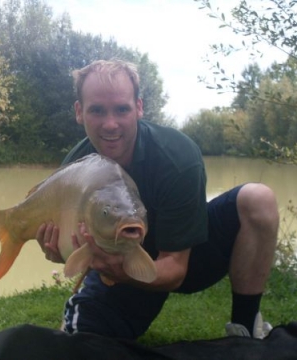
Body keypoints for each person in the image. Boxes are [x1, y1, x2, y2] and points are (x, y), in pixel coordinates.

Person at [36, 59, 279, 340]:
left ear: (138, 107)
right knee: (79, 343)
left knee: (258, 198)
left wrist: (124, 271)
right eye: (97, 111)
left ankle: (246, 328)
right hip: (120, 262)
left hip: (189, 257)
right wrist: (59, 251)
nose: (110, 124)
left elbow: (176, 267)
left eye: (122, 109)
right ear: (79, 112)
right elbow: (72, 250)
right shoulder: (73, 170)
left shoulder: (177, 156)